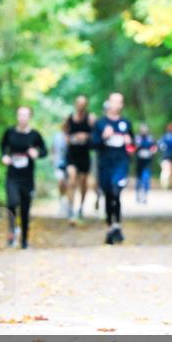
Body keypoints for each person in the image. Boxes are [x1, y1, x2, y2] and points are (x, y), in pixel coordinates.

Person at [0, 106, 47, 249]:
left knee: (25, 209)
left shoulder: (35, 135)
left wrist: (37, 153)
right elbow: (2, 146)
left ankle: (25, 240)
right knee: (12, 203)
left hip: (27, 178)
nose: (23, 118)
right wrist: (5, 156)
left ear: (30, 117)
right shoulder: (9, 132)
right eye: (20, 115)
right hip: (12, 176)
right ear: (17, 116)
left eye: (26, 115)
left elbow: (44, 151)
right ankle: (12, 231)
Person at [92, 92, 134, 244]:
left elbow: (132, 148)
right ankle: (111, 226)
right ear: (109, 103)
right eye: (113, 101)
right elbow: (93, 144)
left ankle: (117, 224)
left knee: (116, 191)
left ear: (122, 105)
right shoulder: (100, 123)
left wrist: (129, 143)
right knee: (109, 195)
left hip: (120, 164)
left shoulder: (126, 124)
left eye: (119, 102)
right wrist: (104, 137)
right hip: (105, 165)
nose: (116, 105)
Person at [63, 95, 94, 224]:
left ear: (86, 105)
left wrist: (86, 136)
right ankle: (70, 208)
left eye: (83, 103)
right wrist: (69, 138)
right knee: (71, 179)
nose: (81, 106)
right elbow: (64, 132)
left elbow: (95, 134)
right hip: (72, 155)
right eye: (79, 103)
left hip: (84, 155)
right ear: (75, 104)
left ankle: (80, 208)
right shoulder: (69, 118)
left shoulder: (90, 118)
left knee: (83, 183)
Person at [134, 124, 156, 204]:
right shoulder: (137, 138)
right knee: (139, 179)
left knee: (146, 178)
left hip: (148, 161)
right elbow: (133, 148)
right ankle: (138, 194)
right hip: (139, 161)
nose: (144, 131)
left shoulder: (150, 139)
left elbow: (154, 147)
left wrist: (152, 151)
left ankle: (145, 195)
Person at [51, 123, 69, 216]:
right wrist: (52, 158)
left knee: (69, 184)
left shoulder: (71, 135)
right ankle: (62, 201)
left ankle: (68, 204)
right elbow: (53, 148)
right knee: (61, 182)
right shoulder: (57, 136)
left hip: (69, 162)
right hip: (58, 163)